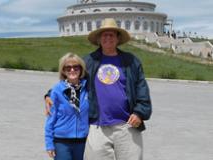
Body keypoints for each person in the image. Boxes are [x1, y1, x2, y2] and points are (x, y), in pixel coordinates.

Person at [45, 18, 152, 160]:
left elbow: (141, 88)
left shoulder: (131, 61)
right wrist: (49, 94)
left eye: (111, 35)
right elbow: (72, 81)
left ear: (118, 38)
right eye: (104, 35)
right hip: (97, 127)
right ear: (99, 39)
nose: (108, 38)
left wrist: (140, 112)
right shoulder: (89, 61)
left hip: (127, 125)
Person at [44, 53, 89, 160]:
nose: (72, 70)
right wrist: (49, 143)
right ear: (63, 71)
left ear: (81, 69)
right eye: (68, 68)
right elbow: (50, 119)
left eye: (76, 67)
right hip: (61, 142)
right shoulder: (57, 91)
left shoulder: (88, 88)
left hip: (83, 141)